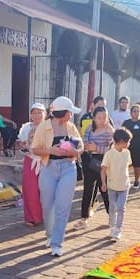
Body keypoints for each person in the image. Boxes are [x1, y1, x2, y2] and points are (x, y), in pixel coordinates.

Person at [31, 96, 83, 256]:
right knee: (47, 205)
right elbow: (35, 149)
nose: (71, 115)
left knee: (63, 206)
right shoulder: (44, 127)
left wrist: (73, 152)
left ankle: (57, 243)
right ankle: (49, 234)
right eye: (69, 112)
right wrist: (51, 150)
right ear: (62, 112)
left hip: (68, 168)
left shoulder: (71, 127)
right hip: (48, 168)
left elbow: (80, 147)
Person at [75, 106, 114, 229]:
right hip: (89, 161)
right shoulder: (89, 128)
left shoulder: (109, 131)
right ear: (94, 117)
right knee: (87, 190)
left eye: (104, 118)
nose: (102, 120)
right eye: (99, 118)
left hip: (102, 162)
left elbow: (113, 149)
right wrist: (85, 147)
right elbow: (84, 142)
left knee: (105, 190)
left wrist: (97, 148)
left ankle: (112, 216)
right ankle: (83, 218)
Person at [17, 103, 47, 226]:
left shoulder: (48, 128)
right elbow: (21, 143)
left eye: (39, 112)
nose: (37, 115)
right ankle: (31, 217)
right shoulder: (26, 128)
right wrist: (23, 146)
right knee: (30, 189)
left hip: (45, 160)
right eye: (34, 112)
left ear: (45, 114)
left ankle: (45, 215)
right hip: (30, 160)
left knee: (45, 189)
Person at [100, 129, 132, 241]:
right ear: (122, 141)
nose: (129, 144)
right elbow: (103, 169)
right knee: (112, 207)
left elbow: (127, 167)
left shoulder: (127, 153)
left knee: (121, 208)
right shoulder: (109, 154)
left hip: (124, 186)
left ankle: (118, 229)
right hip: (112, 186)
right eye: (127, 141)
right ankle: (113, 227)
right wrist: (103, 182)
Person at [122, 104, 140, 189]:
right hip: (127, 147)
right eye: (134, 111)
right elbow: (121, 135)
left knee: (137, 166)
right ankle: (125, 182)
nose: (136, 113)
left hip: (139, 147)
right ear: (130, 113)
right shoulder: (126, 122)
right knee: (125, 165)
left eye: (138, 111)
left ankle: (136, 181)